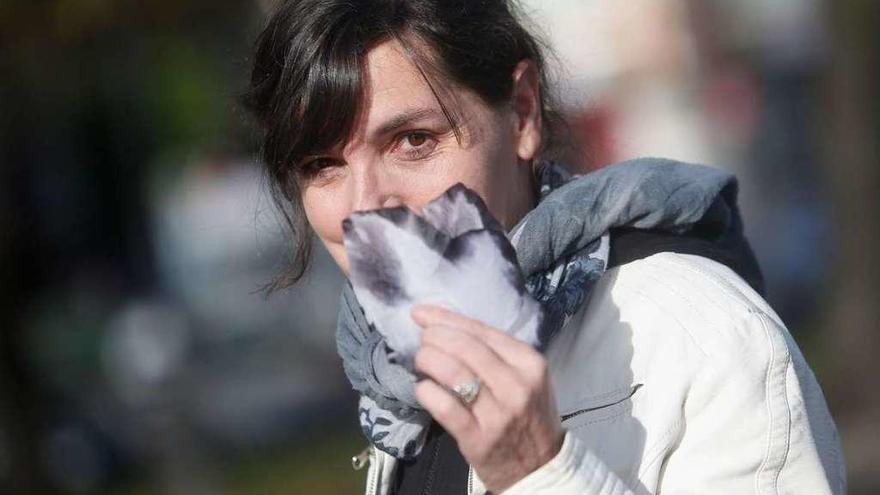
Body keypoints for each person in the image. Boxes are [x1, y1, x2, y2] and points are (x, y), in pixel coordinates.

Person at [242, 1, 847, 494]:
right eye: (321, 164)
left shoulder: (704, 336)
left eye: (413, 140)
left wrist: (539, 470)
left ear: (523, 114)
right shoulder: (392, 379)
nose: (366, 204)